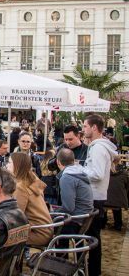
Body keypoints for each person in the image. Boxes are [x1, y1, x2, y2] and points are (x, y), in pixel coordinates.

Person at [82, 114, 118, 276]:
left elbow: (96, 174)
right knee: (93, 236)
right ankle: (92, 269)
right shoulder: (100, 147)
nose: (83, 130)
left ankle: (93, 270)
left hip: (94, 197)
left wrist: (80, 170)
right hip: (96, 195)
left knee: (93, 238)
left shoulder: (98, 148)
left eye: (85, 126)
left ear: (94, 128)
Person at [6, 152, 52, 247]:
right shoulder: (31, 179)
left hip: (37, 233)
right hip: (45, 229)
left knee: (0, 238)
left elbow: (16, 217)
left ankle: (12, 261)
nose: (6, 165)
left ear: (17, 166)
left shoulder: (20, 187)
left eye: (9, 162)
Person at [56, 148, 94, 235]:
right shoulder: (80, 172)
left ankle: (58, 248)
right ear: (73, 161)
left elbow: (68, 208)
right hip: (84, 217)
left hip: (75, 221)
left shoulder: (67, 178)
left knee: (44, 223)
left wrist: (50, 214)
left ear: (58, 162)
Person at [103, 155, 129, 231]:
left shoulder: (105, 171)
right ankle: (118, 225)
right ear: (120, 161)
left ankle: (103, 223)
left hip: (105, 198)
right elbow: (127, 186)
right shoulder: (124, 173)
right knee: (117, 207)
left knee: (104, 206)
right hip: (119, 200)